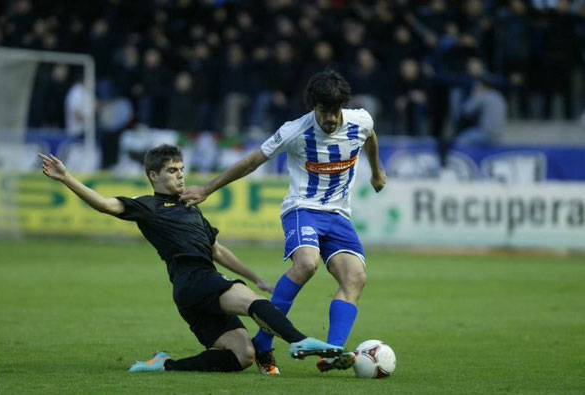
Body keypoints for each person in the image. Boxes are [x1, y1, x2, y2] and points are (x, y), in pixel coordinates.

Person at [37, 145, 343, 373]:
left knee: (242, 356)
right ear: (153, 175)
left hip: (193, 292)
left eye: (182, 169)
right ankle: (300, 341)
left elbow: (218, 251)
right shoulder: (146, 207)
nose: (180, 175)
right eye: (172, 171)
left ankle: (164, 365)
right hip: (196, 281)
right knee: (253, 304)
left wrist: (255, 277)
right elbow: (105, 205)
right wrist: (66, 178)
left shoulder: (191, 207)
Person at [180, 70, 387, 375]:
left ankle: (331, 353)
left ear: (343, 106)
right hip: (302, 209)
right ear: (312, 107)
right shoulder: (294, 131)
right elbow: (252, 161)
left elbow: (370, 136)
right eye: (322, 111)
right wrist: (208, 189)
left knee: (355, 278)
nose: (329, 118)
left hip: (339, 215)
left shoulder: (361, 121)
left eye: (334, 111)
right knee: (306, 264)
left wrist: (376, 171)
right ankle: (264, 341)